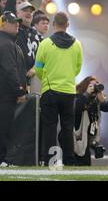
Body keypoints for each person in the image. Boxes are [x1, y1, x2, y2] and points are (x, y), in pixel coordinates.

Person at [35, 12, 83, 166]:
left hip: (49, 91)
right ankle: (69, 160)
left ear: (54, 24)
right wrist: (67, 79)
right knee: (68, 128)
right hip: (69, 92)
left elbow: (38, 68)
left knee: (50, 127)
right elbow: (77, 68)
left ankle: (50, 160)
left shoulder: (45, 44)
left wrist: (47, 79)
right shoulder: (77, 44)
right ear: (67, 25)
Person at [0, 11, 27, 167]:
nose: (16, 23)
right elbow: (10, 70)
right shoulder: (5, 44)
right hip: (5, 94)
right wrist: (19, 90)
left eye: (17, 21)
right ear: (3, 24)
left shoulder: (8, 43)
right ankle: (2, 160)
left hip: (5, 93)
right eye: (12, 22)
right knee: (3, 127)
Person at [73, 76, 108, 166]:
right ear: (85, 86)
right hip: (77, 136)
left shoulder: (96, 99)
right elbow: (77, 107)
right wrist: (87, 94)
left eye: (95, 85)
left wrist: (102, 99)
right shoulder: (78, 96)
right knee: (80, 160)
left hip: (88, 136)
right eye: (91, 85)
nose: (93, 87)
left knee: (86, 163)